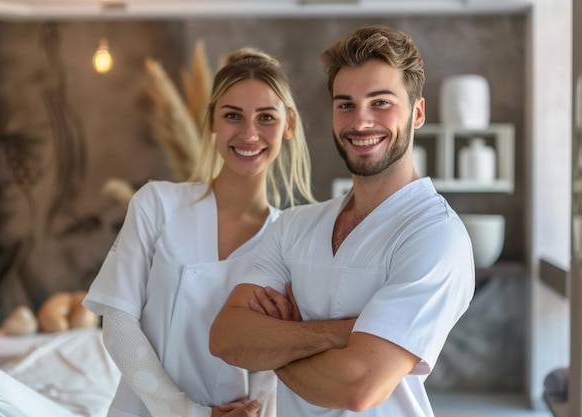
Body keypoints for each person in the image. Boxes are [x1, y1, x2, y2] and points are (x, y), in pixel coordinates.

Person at [209, 25, 475, 417]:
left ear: (417, 113)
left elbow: (358, 387)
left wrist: (276, 346)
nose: (360, 122)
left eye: (381, 102)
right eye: (345, 104)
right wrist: (340, 333)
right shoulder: (294, 226)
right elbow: (227, 338)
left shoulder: (436, 235)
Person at [82, 47, 316, 417]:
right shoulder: (157, 204)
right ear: (212, 122)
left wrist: (254, 408)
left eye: (266, 117)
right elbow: (118, 325)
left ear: (288, 125)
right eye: (232, 116)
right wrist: (186, 413)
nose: (249, 133)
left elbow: (278, 354)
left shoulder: (290, 237)